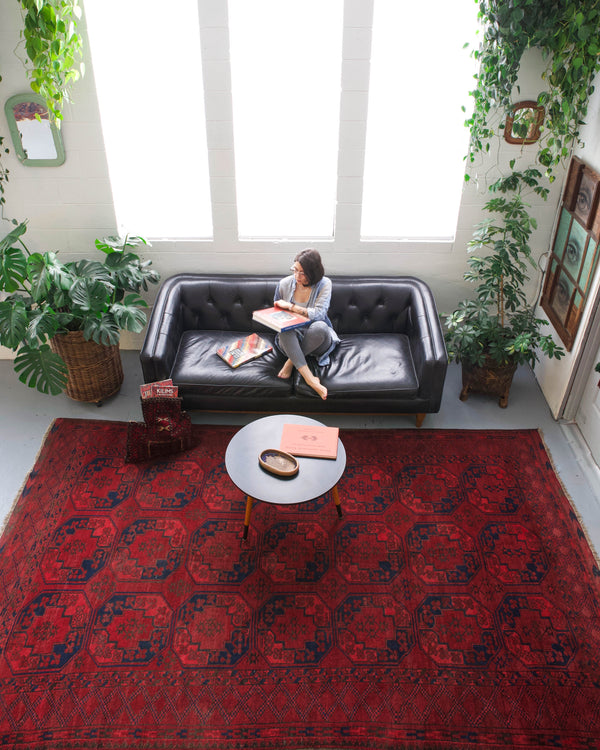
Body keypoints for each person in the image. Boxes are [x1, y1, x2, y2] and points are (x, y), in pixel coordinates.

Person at [274, 249, 339, 400]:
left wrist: (291, 307)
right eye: (295, 270)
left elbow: (319, 314)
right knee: (284, 329)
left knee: (320, 327)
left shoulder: (324, 284)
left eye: (302, 273)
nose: (297, 276)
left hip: (318, 340)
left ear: (313, 273)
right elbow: (275, 311)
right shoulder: (284, 284)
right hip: (290, 340)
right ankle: (311, 379)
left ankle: (291, 361)